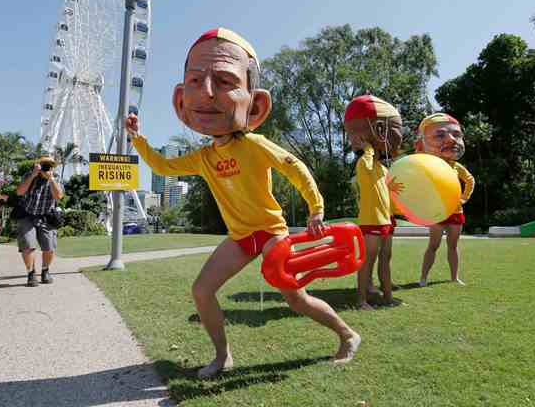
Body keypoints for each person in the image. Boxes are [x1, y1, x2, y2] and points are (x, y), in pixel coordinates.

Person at [126, 28, 360, 378]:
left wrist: (316, 208)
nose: (206, 94)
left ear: (254, 103)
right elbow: (162, 166)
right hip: (240, 238)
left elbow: (295, 169)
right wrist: (137, 139)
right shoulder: (204, 157)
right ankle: (223, 356)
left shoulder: (255, 144)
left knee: (296, 298)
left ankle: (347, 335)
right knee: (202, 291)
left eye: (223, 81)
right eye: (196, 81)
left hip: (271, 234)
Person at [343, 95, 402, 310]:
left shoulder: (384, 169)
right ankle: (361, 300)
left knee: (386, 259)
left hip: (386, 221)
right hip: (371, 222)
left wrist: (396, 205)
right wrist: (367, 147)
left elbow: (387, 197)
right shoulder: (363, 163)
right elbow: (367, 161)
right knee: (366, 262)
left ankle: (388, 297)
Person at [415, 113, 475, 286]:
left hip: (456, 211)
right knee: (433, 245)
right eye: (440, 135)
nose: (450, 140)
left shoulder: (457, 166)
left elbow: (470, 180)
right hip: (437, 212)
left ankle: (454, 277)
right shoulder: (429, 164)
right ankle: (423, 278)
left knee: (453, 246)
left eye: (456, 135)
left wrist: (464, 198)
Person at [15, 156, 64, 287]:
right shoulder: (29, 175)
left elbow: (59, 196)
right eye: (44, 165)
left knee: (49, 248)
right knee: (27, 245)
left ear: (53, 167)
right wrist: (33, 175)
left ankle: (45, 270)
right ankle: (31, 273)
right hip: (27, 215)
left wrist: (51, 179)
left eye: (49, 165)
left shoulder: (56, 178)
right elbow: (19, 192)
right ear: (38, 165)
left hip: (46, 216)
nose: (46, 167)